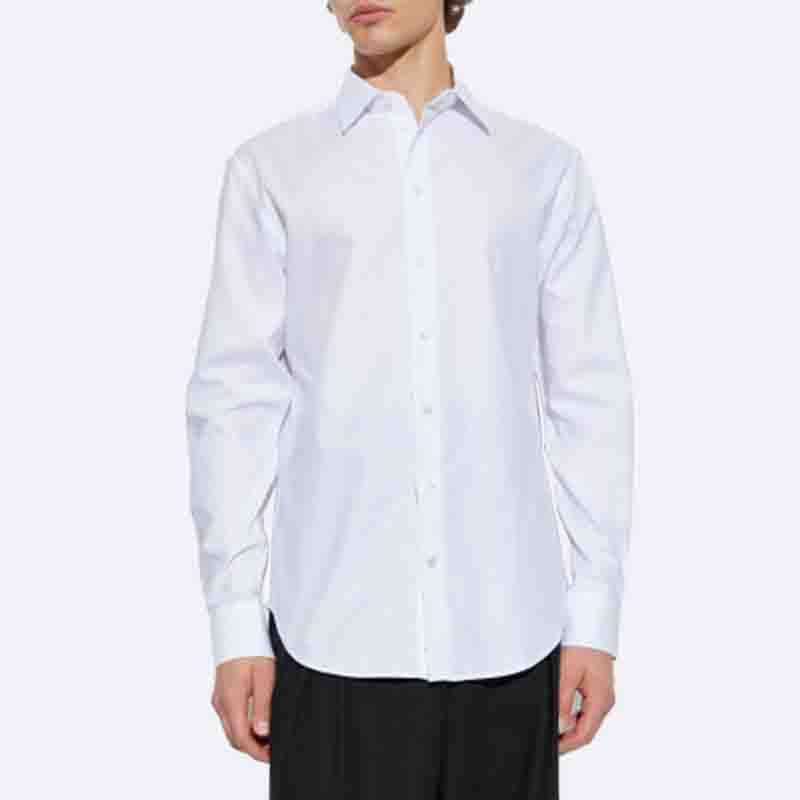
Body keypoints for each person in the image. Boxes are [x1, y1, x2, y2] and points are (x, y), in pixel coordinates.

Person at [185, 1, 634, 797]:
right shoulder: (273, 170)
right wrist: (235, 622)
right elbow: (234, 402)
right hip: (329, 637)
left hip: (508, 633)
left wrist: (594, 614)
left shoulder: (541, 170)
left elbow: (587, 396)